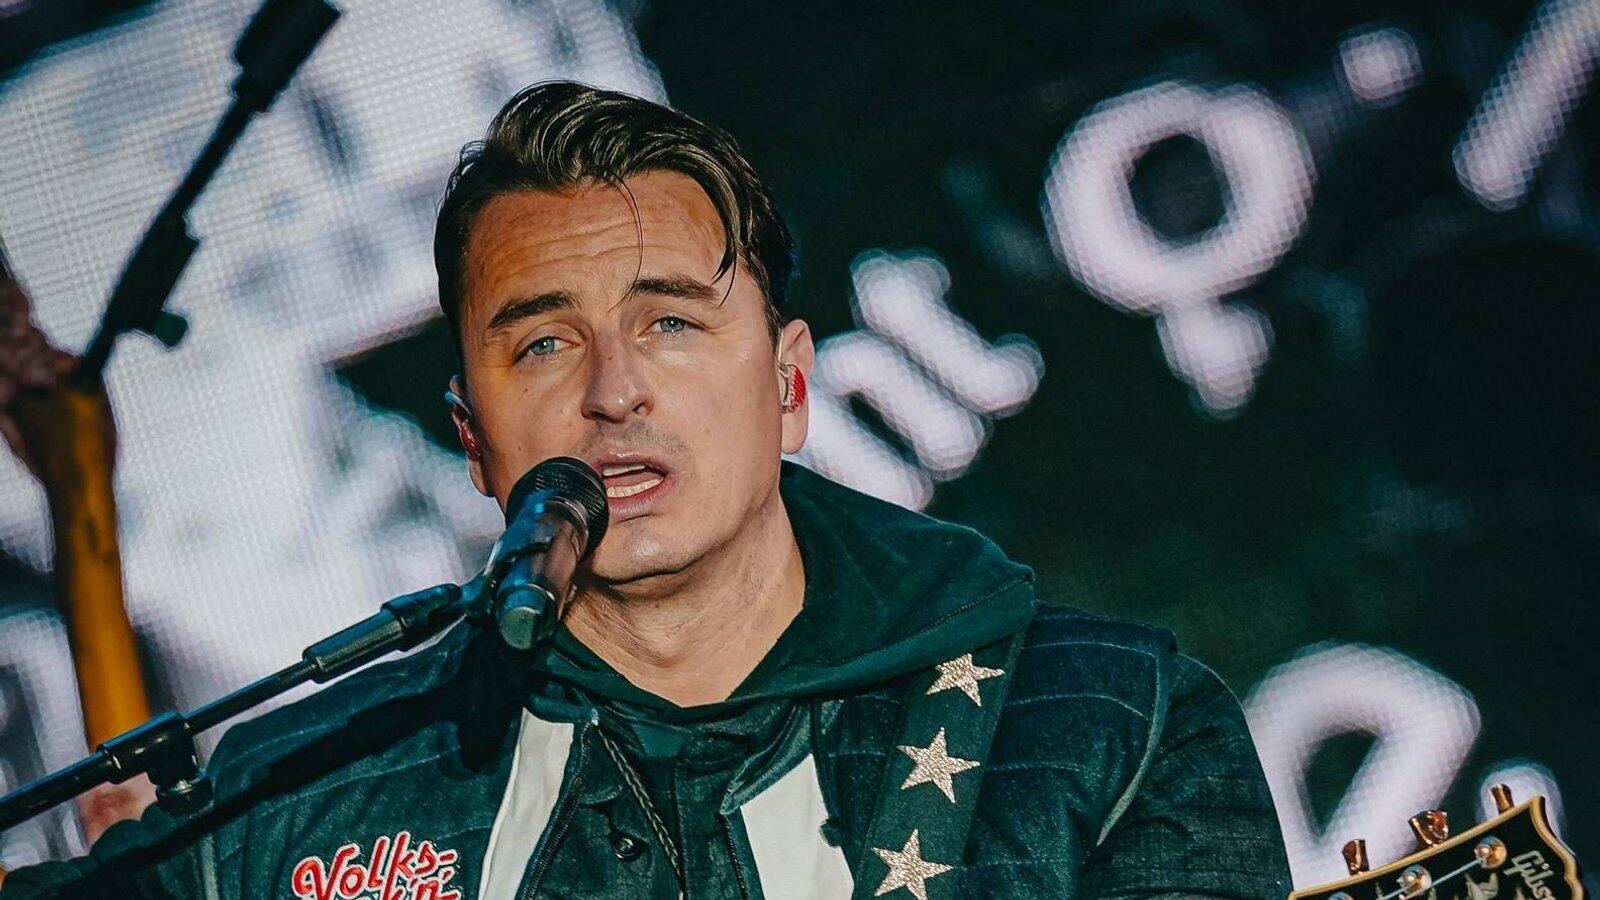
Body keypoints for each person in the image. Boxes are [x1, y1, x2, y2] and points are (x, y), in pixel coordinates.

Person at [0, 81, 1291, 899]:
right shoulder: (340, 781)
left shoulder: (1101, 728)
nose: (614, 391)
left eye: (671, 323)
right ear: (472, 436)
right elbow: (136, 840)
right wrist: (83, 504)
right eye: (541, 344)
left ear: (790, 383)